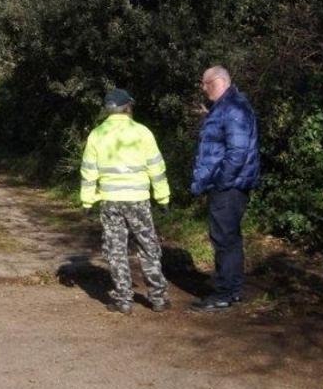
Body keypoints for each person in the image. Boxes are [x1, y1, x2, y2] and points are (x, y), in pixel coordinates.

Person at [80, 89, 171, 314]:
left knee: (116, 249)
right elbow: (156, 168)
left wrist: (87, 201)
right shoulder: (142, 133)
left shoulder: (97, 134)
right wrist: (163, 197)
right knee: (148, 246)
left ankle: (123, 300)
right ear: (128, 107)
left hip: (110, 201)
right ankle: (158, 298)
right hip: (138, 200)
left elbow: (89, 172)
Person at [190, 66, 260, 311]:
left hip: (228, 187)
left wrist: (221, 181)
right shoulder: (227, 107)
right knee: (229, 238)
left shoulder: (232, 108)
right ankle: (233, 290)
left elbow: (237, 152)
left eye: (204, 83)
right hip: (229, 185)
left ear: (216, 81)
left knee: (224, 239)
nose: (202, 87)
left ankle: (224, 293)